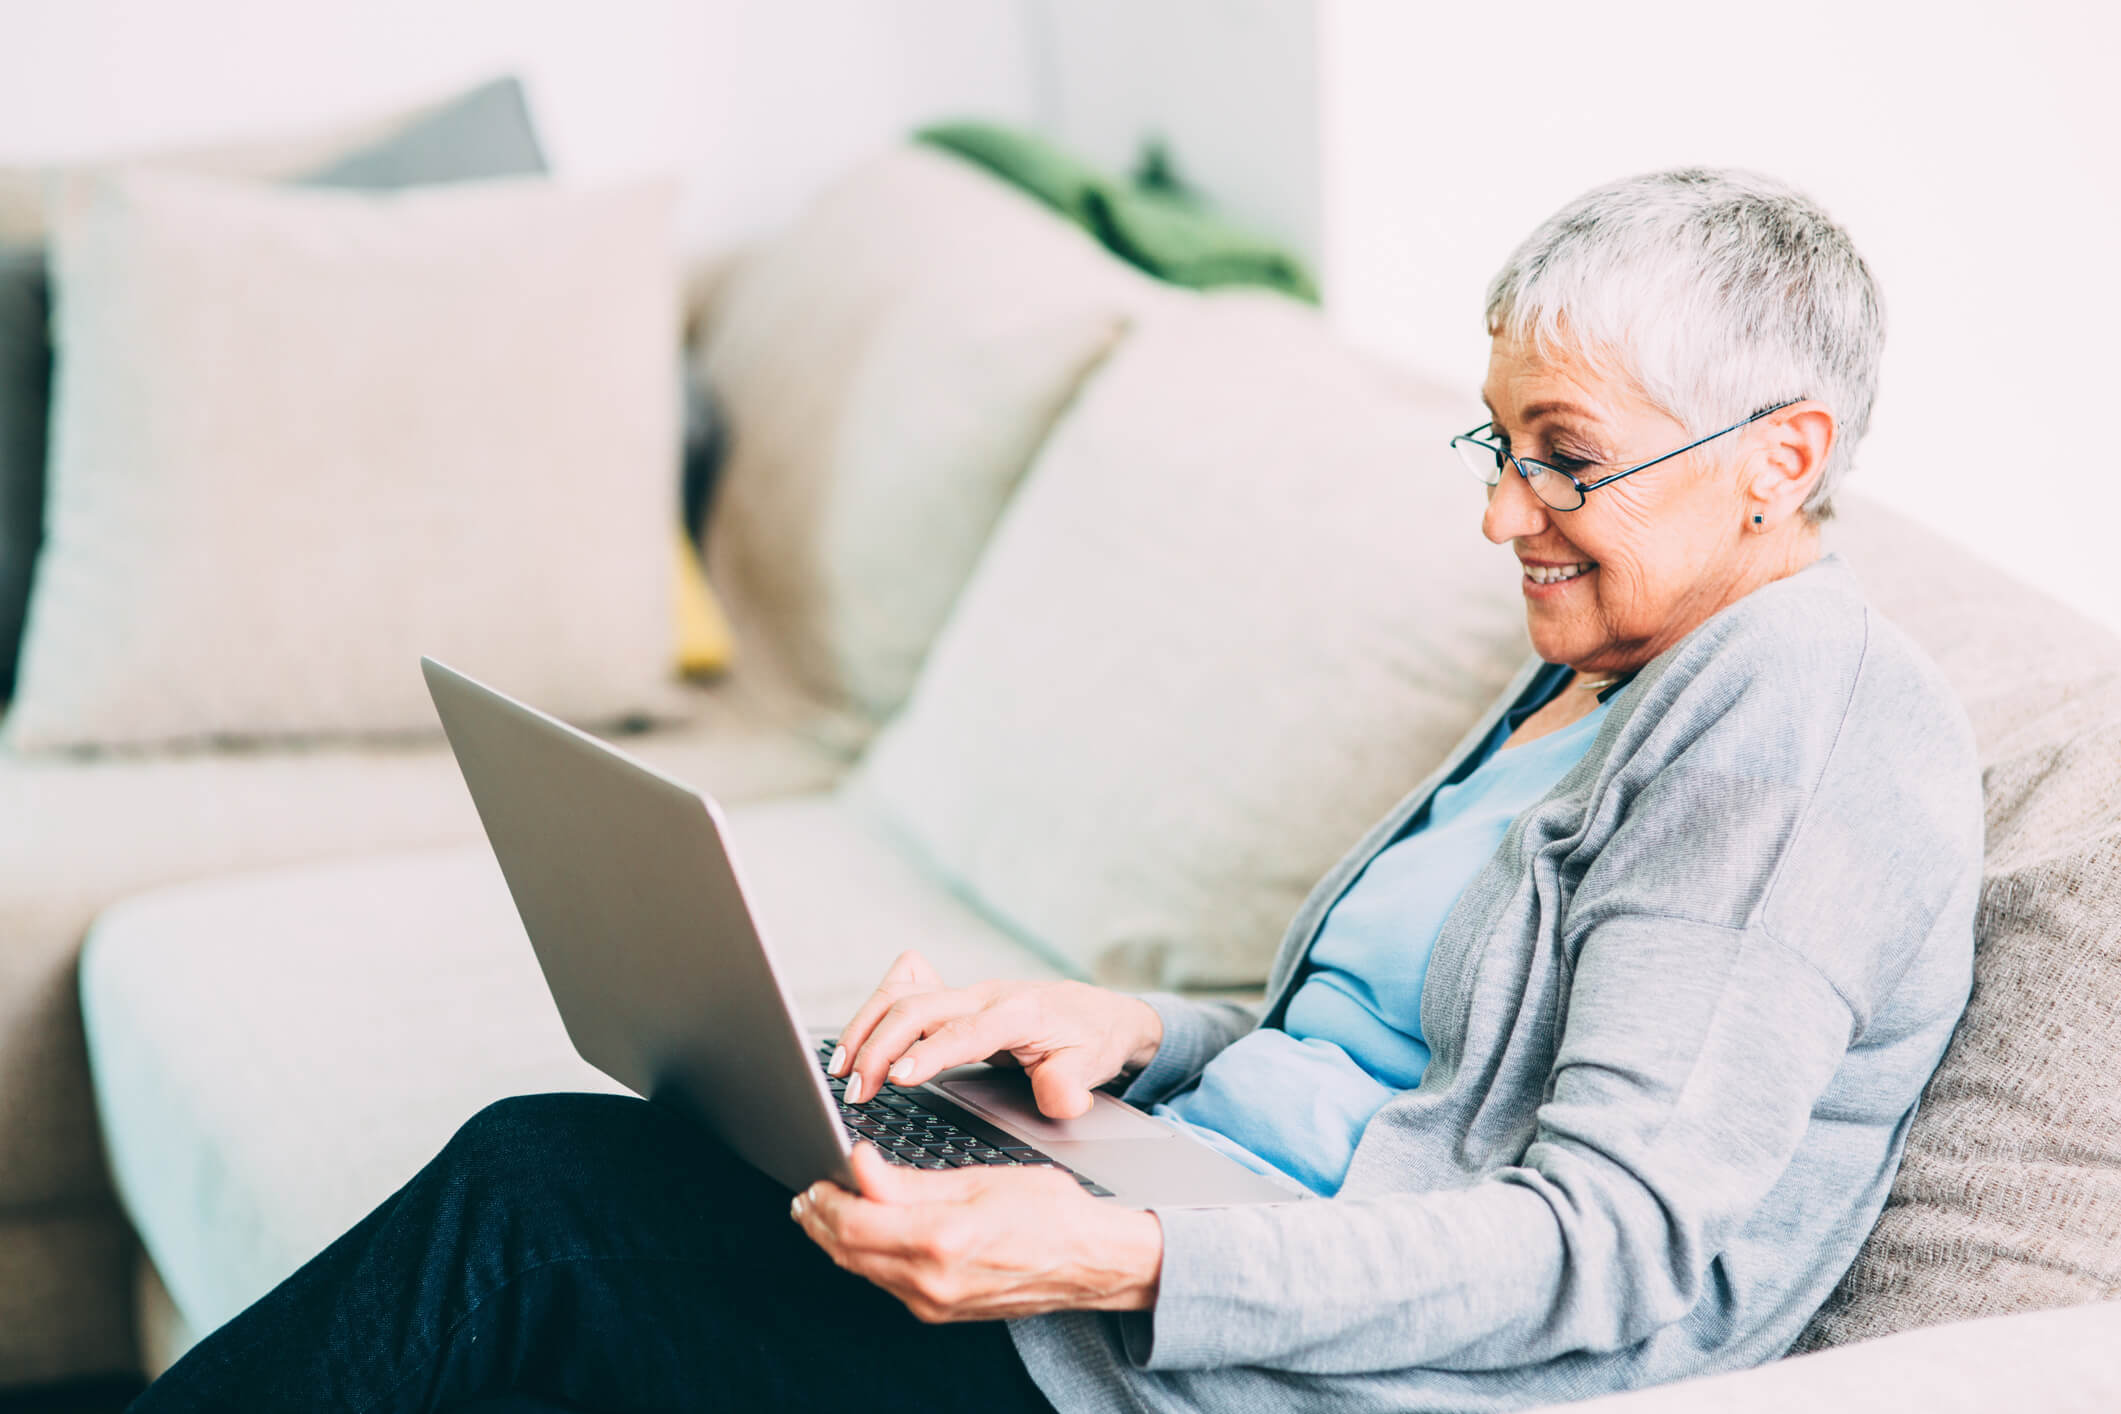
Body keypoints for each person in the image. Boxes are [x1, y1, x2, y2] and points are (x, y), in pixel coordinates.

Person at [131, 168, 1983, 1414]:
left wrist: (1119, 1248)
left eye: (1560, 459)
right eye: (1498, 447)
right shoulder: (1604, 663)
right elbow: (1392, 1061)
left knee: (536, 1204)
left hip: (1244, 1363)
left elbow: (1616, 1239)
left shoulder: (1797, 720)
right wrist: (1137, 1038)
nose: (1501, 512)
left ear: (1780, 458)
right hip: (1174, 1250)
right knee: (623, 1165)